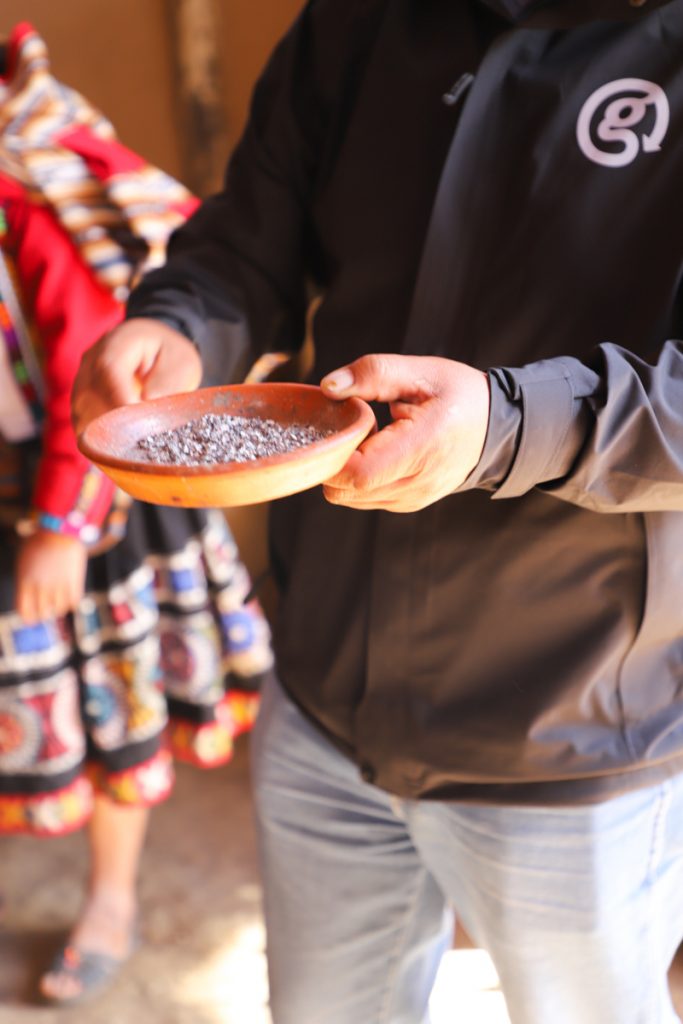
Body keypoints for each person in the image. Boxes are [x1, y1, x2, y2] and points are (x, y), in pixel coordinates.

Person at [72, 0, 683, 1021]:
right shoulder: (361, 18)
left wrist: (499, 424)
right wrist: (181, 326)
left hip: (570, 728)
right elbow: (248, 238)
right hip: (321, 699)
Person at [0, 23, 272, 1007]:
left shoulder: (26, 195)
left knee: (115, 703)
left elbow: (94, 371)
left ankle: (108, 898)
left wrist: (61, 524)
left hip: (76, 494)